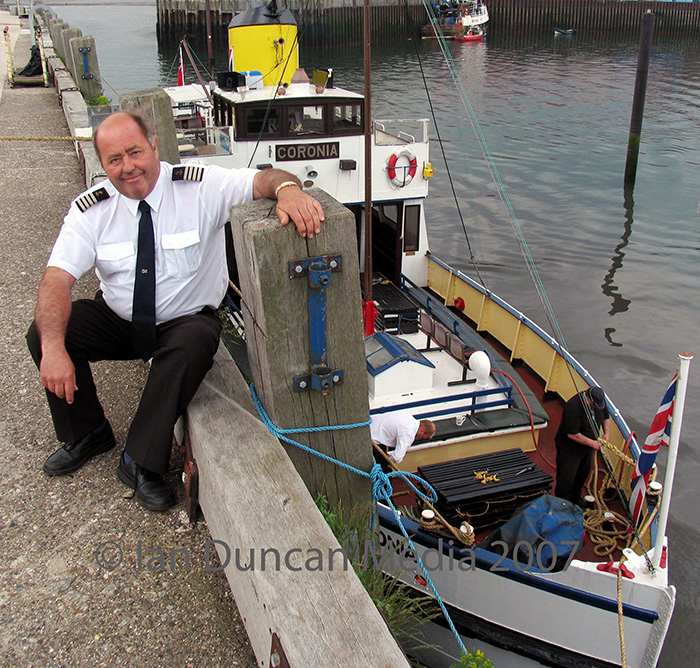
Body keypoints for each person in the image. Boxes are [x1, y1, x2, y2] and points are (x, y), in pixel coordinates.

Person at [27, 111, 325, 511]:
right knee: (47, 332)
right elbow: (56, 280)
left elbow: (262, 179)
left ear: (154, 146)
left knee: (194, 340)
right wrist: (53, 347)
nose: (127, 167)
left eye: (135, 152)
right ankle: (87, 432)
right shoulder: (90, 210)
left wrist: (288, 189)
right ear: (103, 165)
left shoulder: (200, 187)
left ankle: (139, 462)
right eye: (114, 159)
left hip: (184, 320)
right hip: (120, 319)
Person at [554, 386, 610, 507]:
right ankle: (561, 504)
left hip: (586, 450)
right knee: (567, 478)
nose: (597, 407)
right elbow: (573, 434)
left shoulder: (599, 402)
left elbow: (606, 416)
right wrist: (593, 443)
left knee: (582, 474)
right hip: (570, 450)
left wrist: (607, 433)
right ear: (588, 400)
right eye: (594, 405)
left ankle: (575, 498)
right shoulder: (573, 407)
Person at [370, 411, 436, 464]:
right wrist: (389, 458)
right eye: (422, 437)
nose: (419, 438)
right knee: (386, 471)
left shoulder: (407, 416)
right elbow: (397, 457)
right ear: (422, 431)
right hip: (371, 439)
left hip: (370, 425)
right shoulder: (409, 433)